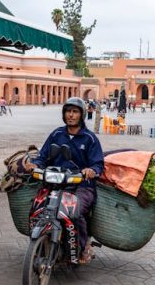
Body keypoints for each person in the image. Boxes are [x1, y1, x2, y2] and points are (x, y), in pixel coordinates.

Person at [25, 97, 104, 264]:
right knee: (37, 208)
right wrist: (35, 165)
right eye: (68, 111)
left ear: (81, 115)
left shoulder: (89, 138)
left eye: (75, 112)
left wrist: (91, 171)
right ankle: (40, 243)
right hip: (55, 183)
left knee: (74, 211)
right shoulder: (57, 134)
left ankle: (82, 248)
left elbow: (98, 164)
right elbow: (43, 156)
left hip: (82, 186)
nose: (71, 115)